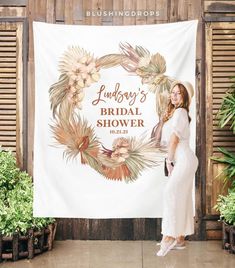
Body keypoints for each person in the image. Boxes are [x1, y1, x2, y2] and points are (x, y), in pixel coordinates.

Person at [156, 80, 198, 257]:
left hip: (183, 159)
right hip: (185, 159)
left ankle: (169, 237)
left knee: (170, 193)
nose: (173, 96)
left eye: (178, 93)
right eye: (172, 92)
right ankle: (180, 238)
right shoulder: (178, 113)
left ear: (185, 97)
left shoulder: (180, 111)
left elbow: (174, 140)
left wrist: (169, 160)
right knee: (181, 197)